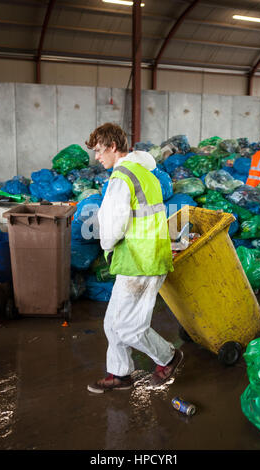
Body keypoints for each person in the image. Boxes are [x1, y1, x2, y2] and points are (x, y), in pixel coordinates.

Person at [85, 123, 184, 393]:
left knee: (129, 328)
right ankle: (120, 374)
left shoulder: (121, 179)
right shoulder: (144, 171)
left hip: (142, 262)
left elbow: (112, 227)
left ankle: (168, 357)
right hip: (138, 258)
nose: (96, 157)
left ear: (112, 146)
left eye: (98, 150)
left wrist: (105, 242)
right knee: (112, 323)